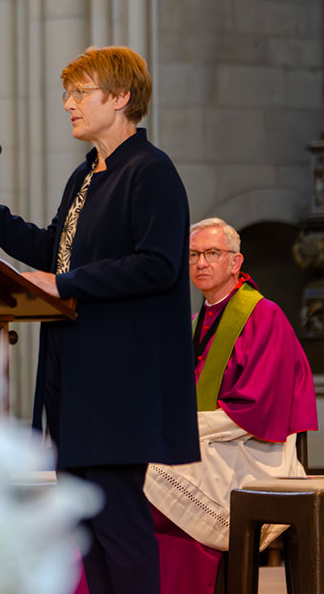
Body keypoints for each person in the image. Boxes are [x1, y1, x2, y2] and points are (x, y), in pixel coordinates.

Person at [0, 46, 200, 594]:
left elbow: (157, 265)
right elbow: (54, 254)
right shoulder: (87, 174)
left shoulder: (150, 171)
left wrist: (64, 284)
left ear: (120, 97)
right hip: (76, 370)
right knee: (86, 527)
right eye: (67, 94)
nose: (67, 104)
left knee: (119, 524)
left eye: (79, 93)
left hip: (119, 381)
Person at [144, 217, 319, 594]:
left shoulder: (263, 316)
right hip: (211, 445)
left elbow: (256, 408)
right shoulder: (195, 322)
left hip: (252, 448)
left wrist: (184, 428)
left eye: (212, 253)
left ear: (235, 262)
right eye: (193, 255)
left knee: (153, 473)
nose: (201, 263)